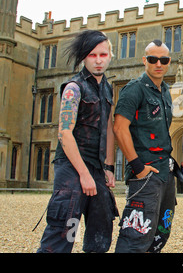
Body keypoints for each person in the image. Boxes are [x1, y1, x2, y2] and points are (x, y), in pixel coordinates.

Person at [37, 30, 118, 253]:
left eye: (103, 54)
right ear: (84, 57)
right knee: (65, 229)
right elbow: (65, 133)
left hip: (96, 168)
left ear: (111, 55)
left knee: (101, 229)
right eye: (92, 55)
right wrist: (83, 174)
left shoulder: (107, 88)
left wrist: (108, 167)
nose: (99, 60)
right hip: (72, 168)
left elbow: (109, 129)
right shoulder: (74, 88)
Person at [113, 40, 177, 253]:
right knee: (136, 235)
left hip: (165, 172)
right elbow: (120, 129)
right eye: (153, 59)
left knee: (161, 231)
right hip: (145, 173)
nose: (158, 63)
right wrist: (138, 167)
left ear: (169, 62)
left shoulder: (165, 90)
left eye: (164, 59)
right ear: (144, 60)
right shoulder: (134, 89)